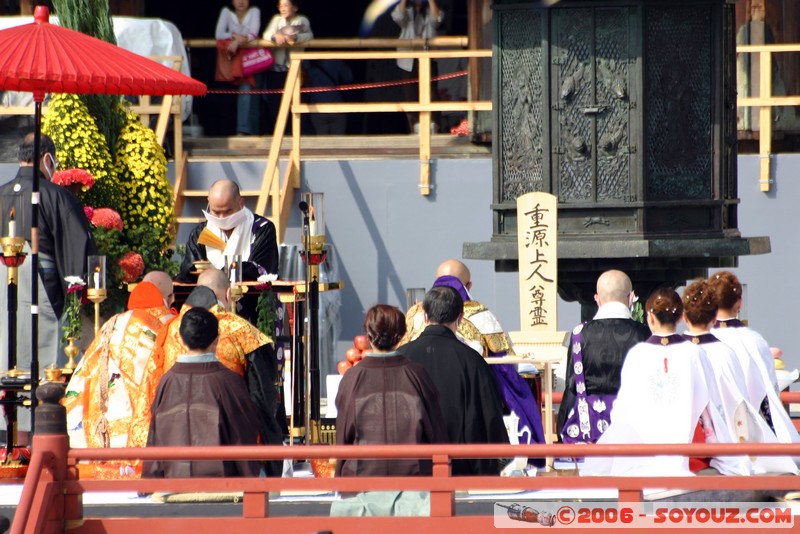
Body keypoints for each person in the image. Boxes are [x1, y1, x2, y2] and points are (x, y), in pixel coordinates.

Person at [580, 288, 747, 477]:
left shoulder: (638, 354)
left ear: (650, 317)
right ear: (680, 317)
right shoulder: (693, 353)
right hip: (685, 444)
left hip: (641, 448)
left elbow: (624, 407)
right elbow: (708, 399)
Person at [134, 268, 284, 475]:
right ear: (229, 294)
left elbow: (151, 390)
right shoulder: (243, 332)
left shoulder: (168, 330)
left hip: (174, 451)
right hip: (227, 453)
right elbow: (261, 399)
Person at [0, 132, 97, 439]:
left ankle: (9, 437)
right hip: (41, 288)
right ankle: (37, 437)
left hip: (4, 289)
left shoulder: (1, 193)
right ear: (47, 159)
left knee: (6, 354)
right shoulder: (56, 196)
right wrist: (78, 286)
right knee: (42, 363)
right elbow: (80, 249)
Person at [402, 259, 545, 453]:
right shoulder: (482, 316)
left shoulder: (413, 315)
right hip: (464, 415)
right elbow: (505, 367)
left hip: (415, 420)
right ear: (468, 286)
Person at [333, 304, 447, 517]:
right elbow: (436, 433)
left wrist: (341, 478)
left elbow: (344, 435)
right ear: (402, 335)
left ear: (368, 335)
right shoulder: (417, 375)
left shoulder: (352, 377)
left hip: (362, 485)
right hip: (415, 486)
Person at [681, 280, 796, 474]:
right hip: (723, 440)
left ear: (684, 317)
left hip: (677, 444)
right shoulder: (731, 350)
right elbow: (742, 399)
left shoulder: (673, 352)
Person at [64, 280, 175, 479]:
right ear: (169, 299)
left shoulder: (111, 323)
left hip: (93, 425)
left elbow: (86, 368)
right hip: (134, 424)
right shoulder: (167, 324)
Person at [399, 286, 509, 476]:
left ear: (424, 316)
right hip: (460, 467)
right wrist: (502, 457)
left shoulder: (401, 357)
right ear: (460, 318)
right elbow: (490, 415)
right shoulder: (472, 360)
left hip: (409, 465)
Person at [142, 307, 261, 478]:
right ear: (217, 340)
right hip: (221, 485)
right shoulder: (229, 381)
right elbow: (242, 434)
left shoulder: (166, 381)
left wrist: (151, 482)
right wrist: (252, 478)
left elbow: (155, 437)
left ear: (181, 340)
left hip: (173, 483)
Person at [557, 270, 650, 443]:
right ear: (631, 298)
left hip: (589, 429)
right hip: (633, 428)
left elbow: (572, 384)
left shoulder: (579, 334)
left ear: (597, 299)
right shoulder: (644, 334)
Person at [708, 271, 799, 444]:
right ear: (739, 302)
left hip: (713, 430)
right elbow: (767, 391)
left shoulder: (701, 342)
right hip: (749, 430)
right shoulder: (754, 340)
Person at [176, 179, 278, 322]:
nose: (222, 218)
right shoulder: (201, 232)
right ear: (208, 204)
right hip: (209, 309)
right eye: (216, 212)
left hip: (251, 309)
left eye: (228, 211)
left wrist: (220, 273)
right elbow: (189, 269)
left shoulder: (261, 229)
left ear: (241, 203)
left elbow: (261, 269)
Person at [391, 0, 444, 133]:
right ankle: (414, 126)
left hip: (429, 57)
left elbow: (437, 19)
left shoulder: (431, 10)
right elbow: (398, 17)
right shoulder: (407, 12)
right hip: (408, 60)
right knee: (411, 94)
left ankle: (433, 125)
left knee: (432, 92)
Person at [262, 0, 313, 132]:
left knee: (296, 103)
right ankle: (280, 134)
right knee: (275, 105)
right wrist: (275, 37)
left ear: (295, 7)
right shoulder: (276, 19)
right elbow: (266, 35)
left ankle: (297, 135)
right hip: (275, 71)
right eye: (280, 5)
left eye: (286, 5)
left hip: (294, 70)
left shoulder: (302, 19)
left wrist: (295, 38)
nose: (283, 8)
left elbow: (308, 35)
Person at [215, 0, 261, 135]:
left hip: (252, 59)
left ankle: (250, 131)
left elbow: (253, 34)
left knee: (252, 95)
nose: (240, 2)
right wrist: (234, 36)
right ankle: (243, 130)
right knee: (241, 92)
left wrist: (237, 41)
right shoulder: (226, 12)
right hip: (234, 60)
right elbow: (218, 34)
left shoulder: (254, 11)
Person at [304, 59, 352, 135]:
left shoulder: (307, 61)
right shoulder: (336, 60)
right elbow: (348, 77)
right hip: (336, 107)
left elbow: (304, 82)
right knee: (338, 142)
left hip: (317, 108)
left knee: (321, 142)